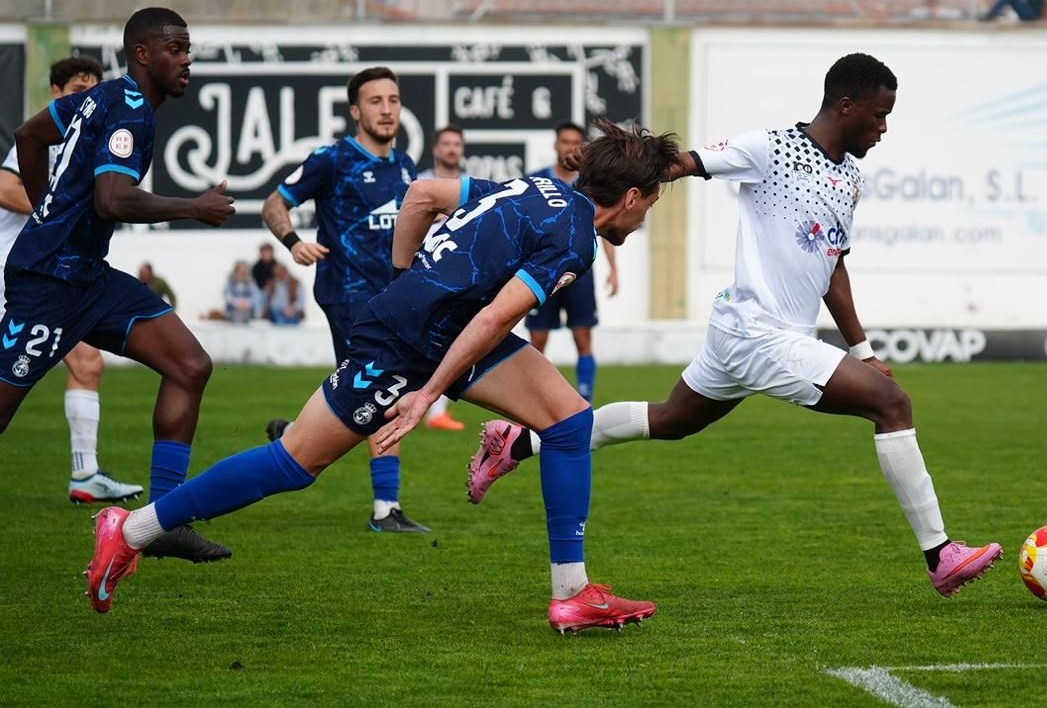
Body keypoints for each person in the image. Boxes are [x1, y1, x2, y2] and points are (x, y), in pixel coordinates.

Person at [85, 121, 678, 634]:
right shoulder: (575, 240)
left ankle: (572, 593)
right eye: (651, 204)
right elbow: (500, 314)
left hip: (440, 329)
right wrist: (425, 392)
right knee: (294, 463)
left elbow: (422, 196)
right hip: (409, 345)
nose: (646, 216)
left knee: (571, 421)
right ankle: (132, 528)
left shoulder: (537, 187)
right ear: (630, 197)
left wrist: (406, 279)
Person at [469, 54, 1003, 597]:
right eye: (879, 115)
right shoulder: (771, 148)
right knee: (892, 405)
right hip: (757, 331)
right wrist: (607, 175)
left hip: (755, 335)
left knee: (672, 420)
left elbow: (832, 263)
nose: (884, 128)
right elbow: (677, 164)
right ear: (847, 106)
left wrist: (861, 349)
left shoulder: (850, 177)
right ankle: (941, 554)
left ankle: (518, 445)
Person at [1, 9, 234, 562]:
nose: (187, 58)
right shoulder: (130, 109)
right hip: (50, 282)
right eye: (175, 48)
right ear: (142, 54)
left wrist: (45, 211)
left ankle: (162, 521)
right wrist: (194, 206)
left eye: (188, 48)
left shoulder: (99, 97)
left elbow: (28, 135)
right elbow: (111, 199)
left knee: (190, 365)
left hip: (86, 274)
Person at [260, 66, 429, 533]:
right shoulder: (332, 159)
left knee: (369, 393)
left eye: (393, 100)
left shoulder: (406, 166)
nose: (387, 109)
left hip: (395, 299)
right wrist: (293, 241)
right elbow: (273, 203)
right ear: (356, 111)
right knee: (384, 390)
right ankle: (386, 510)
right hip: (348, 295)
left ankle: (293, 436)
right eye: (376, 101)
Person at [0, 55, 145, 505]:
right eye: (78, 90)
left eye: (94, 88)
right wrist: (54, 206)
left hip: (55, 277)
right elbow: (5, 186)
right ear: (56, 95)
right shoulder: (47, 140)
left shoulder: (92, 143)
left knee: (87, 364)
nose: (88, 97)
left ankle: (85, 475)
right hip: (18, 270)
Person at [525, 121, 618, 402]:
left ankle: (585, 400)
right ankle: (532, 400)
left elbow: (606, 227)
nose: (570, 147)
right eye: (565, 141)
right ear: (556, 144)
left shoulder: (592, 185)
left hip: (579, 272)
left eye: (576, 143)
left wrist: (614, 270)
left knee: (583, 338)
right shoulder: (538, 180)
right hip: (542, 271)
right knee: (537, 341)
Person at [415, 124, 467, 430]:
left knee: (450, 341)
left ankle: (437, 413)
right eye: (446, 143)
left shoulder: (467, 185)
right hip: (422, 268)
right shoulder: (421, 181)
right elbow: (408, 214)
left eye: (456, 144)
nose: (451, 149)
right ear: (436, 149)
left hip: (456, 271)